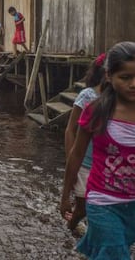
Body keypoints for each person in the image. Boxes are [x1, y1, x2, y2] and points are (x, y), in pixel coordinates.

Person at [60, 41, 135, 259]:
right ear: (109, 76)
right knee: (114, 251)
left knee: (118, 246)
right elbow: (76, 153)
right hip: (103, 201)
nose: (133, 84)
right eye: (125, 78)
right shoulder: (95, 111)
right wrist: (66, 194)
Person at [63, 53, 106, 232]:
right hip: (85, 163)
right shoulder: (88, 95)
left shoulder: (123, 102)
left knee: (102, 208)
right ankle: (71, 226)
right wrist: (71, 161)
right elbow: (70, 130)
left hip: (105, 165)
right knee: (82, 208)